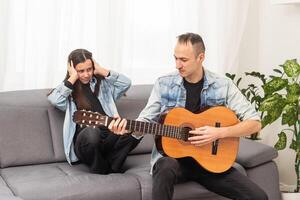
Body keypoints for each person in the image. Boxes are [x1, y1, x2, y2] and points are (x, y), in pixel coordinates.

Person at [111, 33, 268, 200]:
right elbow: (146, 120)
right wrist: (128, 129)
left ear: (201, 57)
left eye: (184, 60)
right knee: (165, 165)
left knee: (258, 196)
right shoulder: (164, 83)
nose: (178, 65)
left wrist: (218, 133)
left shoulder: (223, 85)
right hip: (173, 162)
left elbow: (255, 123)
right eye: (175, 58)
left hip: (211, 163)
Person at [48, 49, 140, 174]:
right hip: (86, 143)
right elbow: (55, 99)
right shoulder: (69, 92)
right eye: (81, 71)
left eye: (89, 69)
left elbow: (126, 83)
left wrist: (101, 70)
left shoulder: (103, 86)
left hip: (108, 137)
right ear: (73, 70)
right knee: (92, 132)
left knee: (134, 129)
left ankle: (112, 166)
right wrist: (73, 77)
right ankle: (101, 168)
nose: (86, 74)